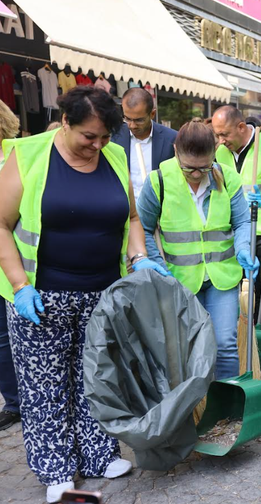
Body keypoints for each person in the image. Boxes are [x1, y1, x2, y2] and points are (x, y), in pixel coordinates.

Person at [0, 86, 169, 502]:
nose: (97, 145)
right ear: (65, 123)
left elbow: (131, 216)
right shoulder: (29, 154)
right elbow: (1, 224)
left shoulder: (113, 154)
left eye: (105, 137)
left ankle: (98, 454)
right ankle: (56, 468)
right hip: (40, 298)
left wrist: (139, 256)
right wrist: (20, 285)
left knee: (96, 378)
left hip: (101, 295)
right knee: (45, 387)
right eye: (89, 137)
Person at [136, 121, 257, 379]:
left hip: (222, 278)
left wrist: (244, 247)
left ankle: (228, 411)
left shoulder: (228, 177)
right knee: (191, 348)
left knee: (224, 344)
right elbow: (142, 228)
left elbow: (242, 221)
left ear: (214, 154)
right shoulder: (158, 181)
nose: (196, 174)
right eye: (188, 168)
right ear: (176, 151)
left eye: (204, 167)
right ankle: (198, 407)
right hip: (179, 280)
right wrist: (157, 264)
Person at [211, 106, 261, 367]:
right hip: (236, 232)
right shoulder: (221, 152)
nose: (221, 140)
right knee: (248, 292)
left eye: (224, 134)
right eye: (217, 135)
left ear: (241, 128)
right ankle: (259, 342)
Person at [111, 88, 178, 203]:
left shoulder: (171, 139)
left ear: (152, 114)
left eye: (139, 120)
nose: (132, 125)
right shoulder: (113, 137)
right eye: (127, 119)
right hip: (123, 210)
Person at [0, 100, 20, 432]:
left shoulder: (13, 158)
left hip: (11, 262)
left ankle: (21, 401)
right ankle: (14, 401)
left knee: (7, 337)